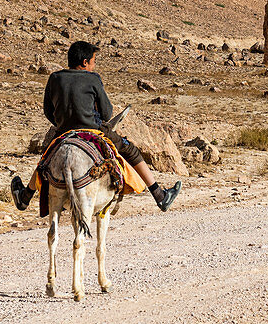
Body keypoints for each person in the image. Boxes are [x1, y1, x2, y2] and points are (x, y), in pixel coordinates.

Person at [10, 41, 182, 212]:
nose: (93, 65)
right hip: (93, 130)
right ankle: (160, 195)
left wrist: (62, 124)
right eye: (93, 61)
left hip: (63, 131)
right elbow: (107, 113)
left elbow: (48, 111)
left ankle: (25, 197)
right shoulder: (93, 78)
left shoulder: (54, 78)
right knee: (130, 150)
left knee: (46, 159)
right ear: (85, 62)